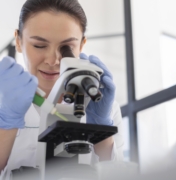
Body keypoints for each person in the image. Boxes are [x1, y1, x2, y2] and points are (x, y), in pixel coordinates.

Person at [0, 0, 124, 175]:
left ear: (81, 45)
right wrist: (6, 125)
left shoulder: (105, 109)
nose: (53, 61)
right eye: (39, 46)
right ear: (18, 41)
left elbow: (116, 177)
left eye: (67, 48)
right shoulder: (2, 103)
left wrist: (101, 131)